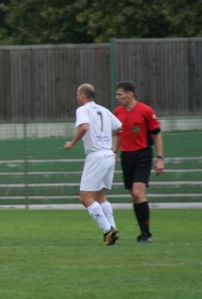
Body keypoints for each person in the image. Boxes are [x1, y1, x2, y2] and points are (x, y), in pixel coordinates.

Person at [64, 83, 122, 246]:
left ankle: (107, 230)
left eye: (77, 94)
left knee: (85, 197)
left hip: (96, 156)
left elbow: (84, 127)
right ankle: (113, 230)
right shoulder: (104, 110)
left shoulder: (83, 110)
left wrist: (72, 143)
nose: (77, 98)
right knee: (100, 196)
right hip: (109, 155)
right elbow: (119, 128)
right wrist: (115, 150)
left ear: (82, 96)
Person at [113, 81, 165, 243]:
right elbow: (117, 134)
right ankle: (143, 234)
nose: (117, 98)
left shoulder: (145, 111)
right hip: (127, 156)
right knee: (134, 196)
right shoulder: (117, 112)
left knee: (137, 192)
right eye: (117, 95)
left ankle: (147, 234)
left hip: (143, 154)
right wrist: (114, 152)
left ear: (130, 94)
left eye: (120, 94)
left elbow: (156, 135)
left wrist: (160, 159)